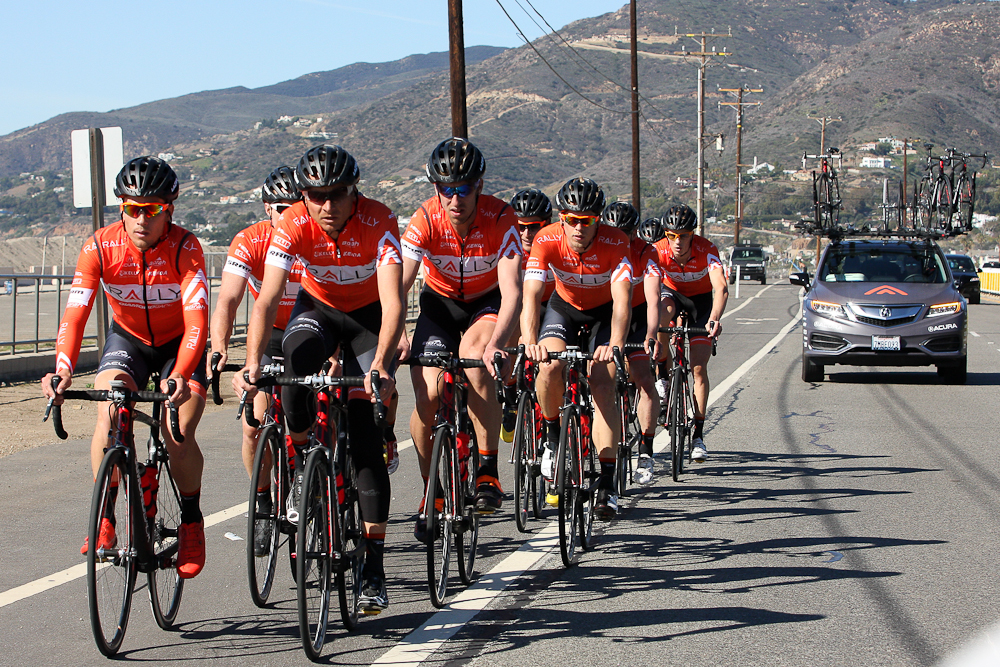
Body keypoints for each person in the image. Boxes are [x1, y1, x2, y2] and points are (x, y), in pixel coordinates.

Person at [234, 144, 403, 614]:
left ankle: (373, 566)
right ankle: (305, 456)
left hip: (368, 318)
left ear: (355, 192)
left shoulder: (379, 220)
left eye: (338, 194)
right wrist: (251, 362)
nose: (327, 205)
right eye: (316, 196)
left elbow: (394, 303)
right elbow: (267, 300)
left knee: (365, 439)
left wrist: (381, 365)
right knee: (292, 365)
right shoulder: (292, 223)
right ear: (304, 197)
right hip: (319, 311)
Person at [42, 156, 209, 579]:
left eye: (151, 209)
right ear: (122, 207)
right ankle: (105, 517)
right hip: (128, 340)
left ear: (169, 209)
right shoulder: (99, 246)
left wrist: (181, 372)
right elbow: (75, 315)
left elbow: (197, 323)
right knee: (110, 409)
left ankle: (191, 521)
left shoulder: (186, 248)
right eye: (133, 208)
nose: (141, 219)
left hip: (179, 347)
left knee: (177, 432)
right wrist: (63, 369)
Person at [401, 137, 522, 528]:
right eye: (446, 189)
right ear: (436, 189)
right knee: (428, 395)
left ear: (479, 185)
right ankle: (431, 489)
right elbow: (398, 285)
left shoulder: (501, 217)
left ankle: (487, 469)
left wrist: (498, 344)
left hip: (487, 303)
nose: (455, 199)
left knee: (475, 359)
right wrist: (397, 333)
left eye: (464, 189)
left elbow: (513, 292)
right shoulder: (424, 219)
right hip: (440, 305)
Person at [208, 166, 306, 557]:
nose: (288, 215)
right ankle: (263, 503)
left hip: (311, 333)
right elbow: (228, 300)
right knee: (254, 424)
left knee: (321, 410)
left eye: (296, 207)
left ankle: (322, 478)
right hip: (270, 336)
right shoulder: (249, 240)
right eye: (281, 208)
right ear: (267, 208)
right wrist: (219, 348)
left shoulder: (311, 237)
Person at [521, 177, 632, 520]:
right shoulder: (546, 239)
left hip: (602, 315)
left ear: (599, 219)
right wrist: (529, 340)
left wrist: (615, 344)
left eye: (588, 220)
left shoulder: (616, 241)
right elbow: (531, 295)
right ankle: (553, 434)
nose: (579, 228)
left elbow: (622, 300)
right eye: (572, 220)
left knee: (602, 383)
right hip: (563, 309)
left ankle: (608, 482)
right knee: (549, 366)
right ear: (562, 218)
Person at [652, 204, 728, 462]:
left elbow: (721, 287)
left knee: (698, 368)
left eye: (683, 236)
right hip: (671, 294)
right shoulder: (658, 250)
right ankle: (663, 376)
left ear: (692, 234)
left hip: (701, 302)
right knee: (661, 315)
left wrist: (714, 318)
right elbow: (648, 287)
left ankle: (698, 435)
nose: (677, 241)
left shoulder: (707, 249)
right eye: (671, 235)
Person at [599, 202, 661, 485]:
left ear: (634, 233)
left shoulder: (646, 252)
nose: (618, 237)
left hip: (636, 318)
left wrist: (651, 334)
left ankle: (646, 449)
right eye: (612, 231)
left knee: (644, 379)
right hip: (608, 316)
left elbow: (653, 298)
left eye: (624, 233)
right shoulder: (598, 246)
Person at [499, 188, 554, 443]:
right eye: (520, 227)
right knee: (509, 334)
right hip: (519, 306)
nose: (526, 234)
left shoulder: (554, 245)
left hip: (551, 306)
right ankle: (511, 397)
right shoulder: (508, 249)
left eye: (534, 227)